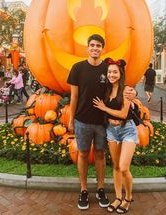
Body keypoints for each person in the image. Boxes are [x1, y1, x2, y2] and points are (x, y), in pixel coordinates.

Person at [67, 34, 110, 210]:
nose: (95, 48)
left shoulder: (108, 69)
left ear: (102, 49)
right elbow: (74, 96)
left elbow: (115, 91)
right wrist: (71, 119)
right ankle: (83, 190)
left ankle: (100, 188)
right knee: (83, 154)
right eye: (92, 45)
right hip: (82, 120)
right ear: (87, 47)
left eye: (98, 46)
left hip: (102, 121)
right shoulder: (77, 68)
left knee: (100, 154)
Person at [93, 58, 137, 214]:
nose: (111, 74)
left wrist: (104, 108)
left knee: (124, 168)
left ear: (120, 73)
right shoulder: (106, 90)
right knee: (116, 166)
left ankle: (128, 198)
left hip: (127, 130)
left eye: (115, 72)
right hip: (112, 131)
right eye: (109, 72)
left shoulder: (125, 90)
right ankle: (118, 197)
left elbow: (124, 114)